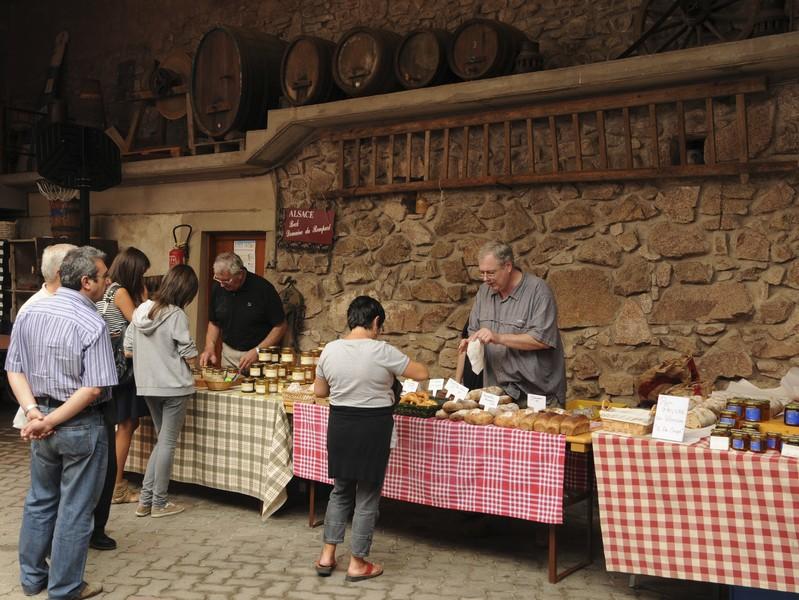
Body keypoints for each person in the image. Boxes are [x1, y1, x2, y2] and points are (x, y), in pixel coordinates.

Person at [6, 246, 117, 600]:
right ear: (86, 282)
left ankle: (32, 579)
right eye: (104, 277)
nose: (108, 282)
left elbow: (14, 369)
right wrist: (45, 418)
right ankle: (66, 588)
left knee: (40, 500)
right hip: (79, 425)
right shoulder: (92, 322)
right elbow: (94, 387)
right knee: (75, 510)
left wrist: (34, 413)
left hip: (43, 419)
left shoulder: (30, 311)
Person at [314, 295, 429, 582]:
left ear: (350, 319)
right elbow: (422, 372)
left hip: (340, 425)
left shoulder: (330, 349)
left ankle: (327, 555)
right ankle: (357, 562)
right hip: (373, 428)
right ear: (376, 321)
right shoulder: (382, 350)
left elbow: (319, 392)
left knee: (340, 490)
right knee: (366, 495)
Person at [125, 264, 199, 518]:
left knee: (161, 442)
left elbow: (128, 349)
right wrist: (194, 365)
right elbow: (188, 352)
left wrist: (152, 356)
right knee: (166, 443)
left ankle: (146, 501)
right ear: (185, 291)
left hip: (147, 385)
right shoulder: (176, 314)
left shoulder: (141, 310)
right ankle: (159, 502)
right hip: (174, 386)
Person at [458, 241, 566, 407]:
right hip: (497, 394)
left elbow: (542, 339)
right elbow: (475, 330)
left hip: (536, 394)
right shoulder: (483, 292)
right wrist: (472, 341)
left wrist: (498, 337)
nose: (485, 279)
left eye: (491, 273)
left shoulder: (538, 291)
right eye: (482, 273)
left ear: (508, 266)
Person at [95, 247, 151, 514]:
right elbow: (142, 323)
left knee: (122, 424)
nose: (144, 277)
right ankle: (117, 486)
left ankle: (110, 483)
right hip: (123, 369)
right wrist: (145, 297)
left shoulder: (105, 290)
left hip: (107, 367)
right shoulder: (121, 292)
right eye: (142, 273)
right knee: (127, 425)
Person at [199, 252, 287, 372]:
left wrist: (258, 351)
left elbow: (280, 326)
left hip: (259, 356)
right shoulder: (218, 287)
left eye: (226, 281)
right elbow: (214, 322)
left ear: (240, 274)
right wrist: (209, 347)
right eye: (218, 280)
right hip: (229, 355)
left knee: (258, 389)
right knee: (229, 389)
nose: (222, 285)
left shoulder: (263, 289)